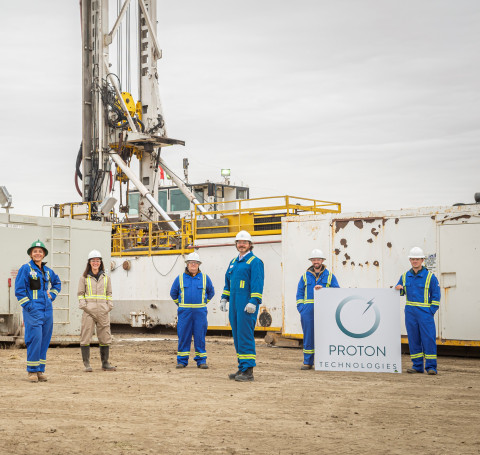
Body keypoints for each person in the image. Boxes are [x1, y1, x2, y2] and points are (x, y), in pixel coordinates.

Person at [219, 230, 264, 382]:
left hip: (246, 304)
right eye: (239, 242)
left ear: (250, 245)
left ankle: (249, 371)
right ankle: (242, 368)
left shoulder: (255, 262)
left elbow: (257, 283)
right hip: (234, 305)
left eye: (244, 242)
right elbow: (228, 283)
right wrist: (224, 298)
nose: (241, 245)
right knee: (238, 337)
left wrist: (254, 301)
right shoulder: (233, 262)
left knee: (245, 336)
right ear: (236, 244)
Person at [15, 240, 61, 382]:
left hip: (47, 310)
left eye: (40, 251)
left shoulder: (47, 271)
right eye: (35, 251)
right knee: (34, 339)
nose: (38, 253)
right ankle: (32, 371)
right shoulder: (26, 269)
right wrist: (29, 307)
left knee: (44, 340)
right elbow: (19, 291)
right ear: (30, 254)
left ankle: (40, 370)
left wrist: (52, 295)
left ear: (44, 254)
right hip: (33, 310)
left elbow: (57, 283)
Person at [395, 247, 440, 375]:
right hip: (410, 313)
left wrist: (431, 310)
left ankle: (431, 367)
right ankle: (417, 366)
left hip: (425, 313)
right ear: (410, 260)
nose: (415, 261)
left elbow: (436, 296)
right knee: (413, 339)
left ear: (422, 260)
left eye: (417, 259)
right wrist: (398, 288)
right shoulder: (404, 276)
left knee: (428, 339)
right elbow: (401, 291)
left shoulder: (430, 277)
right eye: (413, 259)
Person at [296, 249, 340, 370]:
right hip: (307, 311)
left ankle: (324, 361)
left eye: (318, 259)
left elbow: (337, 291)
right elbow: (299, 293)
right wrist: (301, 308)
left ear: (322, 261)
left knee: (325, 335)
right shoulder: (304, 276)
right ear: (311, 261)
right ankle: (308, 362)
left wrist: (324, 289)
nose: (316, 261)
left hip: (324, 311)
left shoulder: (330, 276)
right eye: (314, 259)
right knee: (308, 336)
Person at [170, 252, 215, 369]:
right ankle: (182, 361)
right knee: (184, 335)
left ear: (199, 264)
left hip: (200, 312)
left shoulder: (205, 278)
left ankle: (201, 361)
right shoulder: (180, 278)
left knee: (200, 336)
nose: (193, 265)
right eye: (191, 263)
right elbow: (173, 293)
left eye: (195, 263)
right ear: (187, 264)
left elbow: (211, 292)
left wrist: (204, 302)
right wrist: (180, 304)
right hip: (184, 313)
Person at [77, 249, 116, 372]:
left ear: (100, 263)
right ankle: (87, 364)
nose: (95, 263)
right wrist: (84, 306)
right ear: (89, 263)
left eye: (97, 261)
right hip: (89, 311)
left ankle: (105, 363)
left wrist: (109, 306)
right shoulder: (84, 278)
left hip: (103, 311)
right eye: (93, 261)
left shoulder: (106, 278)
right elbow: (80, 294)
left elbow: (109, 293)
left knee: (105, 337)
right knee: (85, 336)